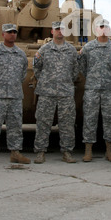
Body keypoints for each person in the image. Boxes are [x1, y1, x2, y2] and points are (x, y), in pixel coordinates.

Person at [0, 24, 30, 167]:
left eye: (14, 32)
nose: (12, 34)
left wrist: (13, 86)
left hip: (15, 96)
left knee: (15, 126)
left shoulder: (20, 54)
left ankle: (15, 153)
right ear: (3, 34)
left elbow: (23, 74)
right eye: (9, 32)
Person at [33, 21, 79, 164]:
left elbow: (75, 71)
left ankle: (67, 152)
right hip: (47, 92)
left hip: (65, 92)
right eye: (57, 29)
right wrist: (46, 82)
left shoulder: (71, 50)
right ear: (52, 31)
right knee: (43, 123)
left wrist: (65, 82)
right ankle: (40, 152)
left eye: (62, 29)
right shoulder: (44, 50)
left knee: (67, 124)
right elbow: (37, 69)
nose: (60, 31)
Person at [78, 18, 111, 162]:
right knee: (90, 118)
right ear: (96, 30)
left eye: (106, 27)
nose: (103, 29)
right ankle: (88, 150)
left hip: (110, 89)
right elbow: (82, 67)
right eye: (101, 27)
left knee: (110, 119)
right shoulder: (88, 48)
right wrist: (92, 78)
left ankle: (109, 150)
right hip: (92, 89)